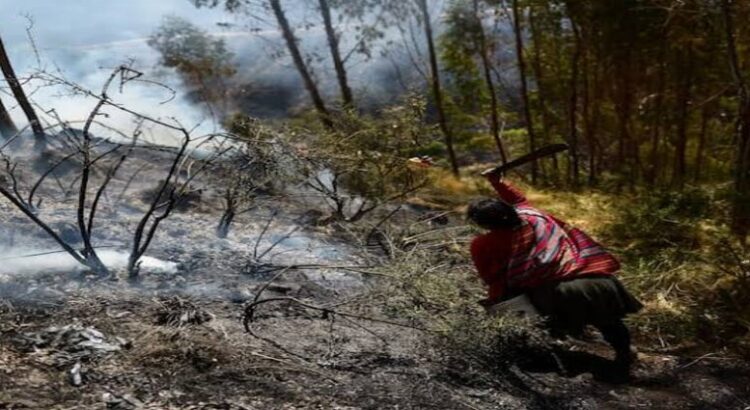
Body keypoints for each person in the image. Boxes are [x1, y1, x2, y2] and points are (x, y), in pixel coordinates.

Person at [467, 170, 643, 377]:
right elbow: (519, 199)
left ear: (483, 224)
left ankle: (542, 356)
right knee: (609, 321)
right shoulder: (535, 217)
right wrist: (496, 181)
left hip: (558, 293)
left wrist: (503, 305)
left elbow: (491, 279)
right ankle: (624, 355)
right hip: (597, 280)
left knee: (526, 314)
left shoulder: (482, 244)